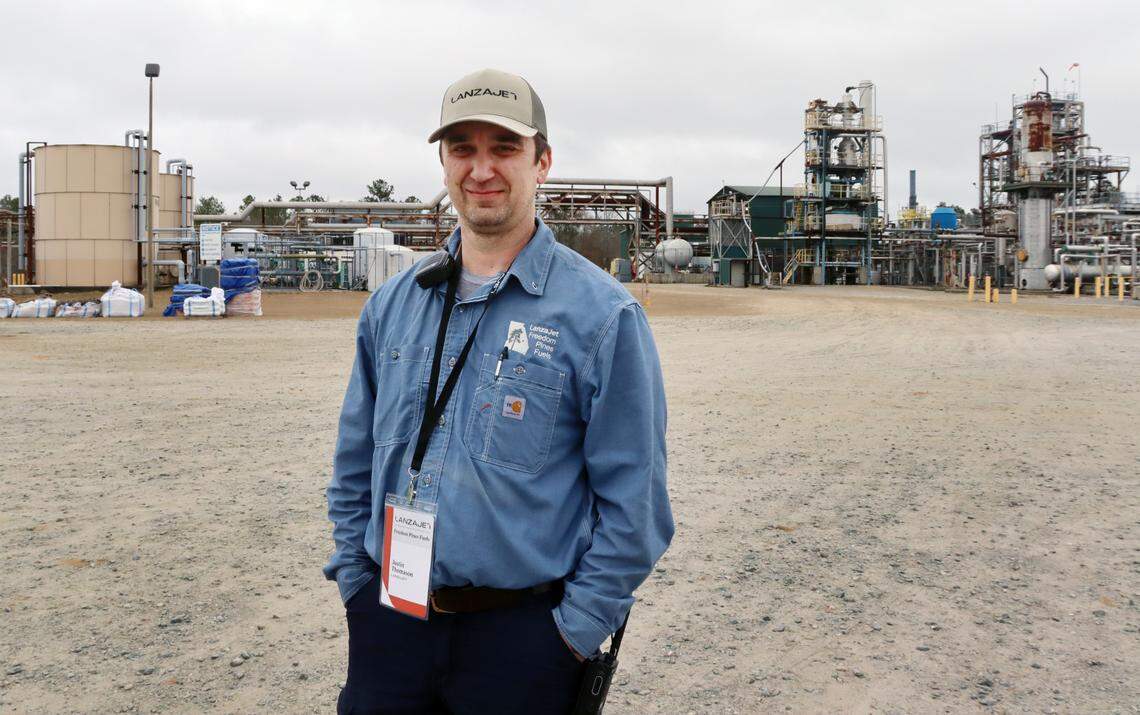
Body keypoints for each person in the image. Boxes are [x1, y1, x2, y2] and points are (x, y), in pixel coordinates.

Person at [324, 68, 674, 714]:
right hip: (389, 624)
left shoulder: (602, 317)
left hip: (520, 645)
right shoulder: (393, 306)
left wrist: (569, 636)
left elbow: (637, 507)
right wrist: (355, 584)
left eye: (504, 148)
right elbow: (354, 465)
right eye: (463, 148)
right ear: (443, 161)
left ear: (542, 162)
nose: (481, 168)